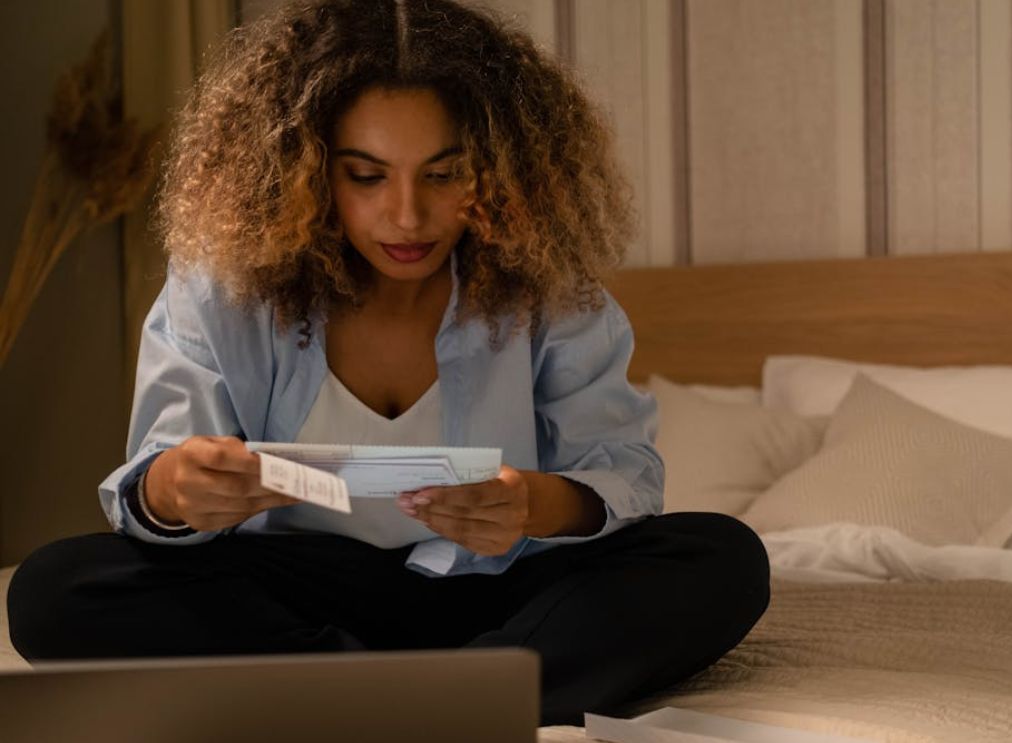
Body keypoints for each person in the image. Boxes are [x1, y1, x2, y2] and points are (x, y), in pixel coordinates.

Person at [5, 0, 769, 726]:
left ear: (502, 168)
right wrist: (179, 488)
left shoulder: (551, 292)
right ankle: (445, 699)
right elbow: (154, 483)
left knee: (721, 557)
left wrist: (531, 503)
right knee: (53, 589)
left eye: (443, 174)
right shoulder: (220, 288)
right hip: (297, 594)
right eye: (365, 175)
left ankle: (381, 700)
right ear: (303, 168)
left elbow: (624, 476)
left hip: (496, 592)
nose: (407, 215)